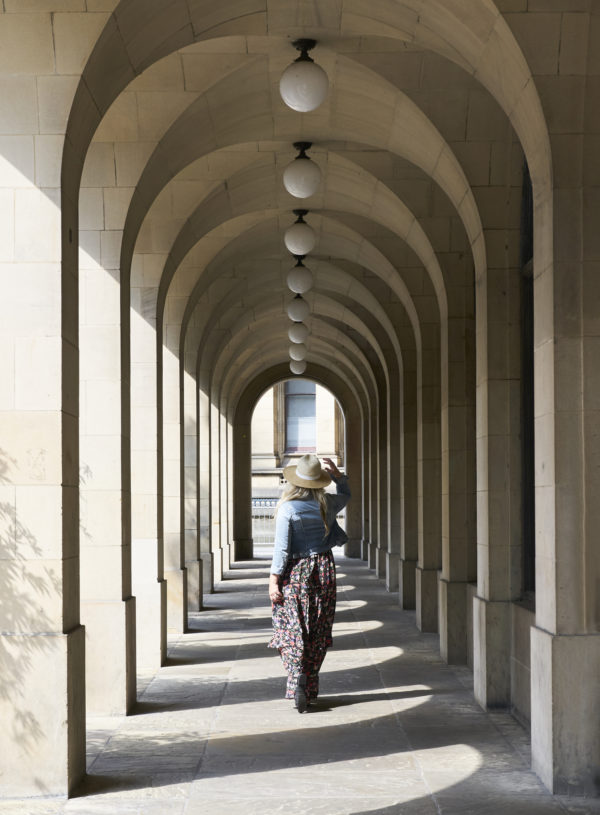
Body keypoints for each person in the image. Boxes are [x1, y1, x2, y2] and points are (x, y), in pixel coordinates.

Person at [267, 454, 351, 712]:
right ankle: (310, 682)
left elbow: (282, 550)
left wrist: (273, 581)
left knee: (290, 626)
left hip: (297, 572)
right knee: (318, 628)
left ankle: (296, 678)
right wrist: (337, 475)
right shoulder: (327, 502)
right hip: (324, 569)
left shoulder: (288, 508)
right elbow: (346, 495)